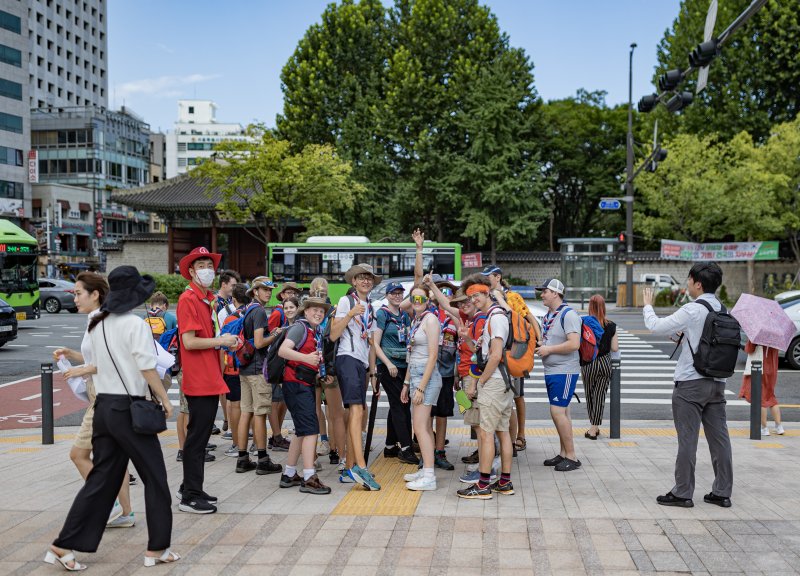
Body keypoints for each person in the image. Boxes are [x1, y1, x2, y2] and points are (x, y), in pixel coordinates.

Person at [46, 266, 177, 570]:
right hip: (129, 410)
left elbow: (95, 363)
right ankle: (157, 549)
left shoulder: (97, 323)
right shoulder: (135, 325)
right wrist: (162, 400)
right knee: (156, 479)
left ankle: (63, 545)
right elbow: (146, 367)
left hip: (103, 408)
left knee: (101, 481)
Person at [643, 262, 733, 508]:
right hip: (717, 383)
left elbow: (655, 326)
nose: (688, 284)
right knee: (720, 439)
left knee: (687, 439)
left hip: (691, 385)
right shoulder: (723, 309)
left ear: (698, 283)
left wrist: (648, 306)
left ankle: (683, 492)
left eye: (689, 280)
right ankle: (722, 492)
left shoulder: (693, 309)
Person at [53, 272, 135, 529]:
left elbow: (109, 361)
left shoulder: (102, 322)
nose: (75, 298)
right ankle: (126, 514)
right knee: (113, 458)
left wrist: (80, 370)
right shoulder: (98, 319)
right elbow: (94, 357)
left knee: (78, 454)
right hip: (109, 396)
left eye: (78, 293)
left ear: (95, 294)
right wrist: (71, 355)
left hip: (103, 398)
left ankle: (107, 502)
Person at [176, 247, 240, 514]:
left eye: (209, 264)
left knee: (200, 438)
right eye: (201, 265)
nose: (207, 269)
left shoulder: (208, 299)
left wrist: (227, 343)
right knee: (197, 439)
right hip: (199, 378)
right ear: (191, 271)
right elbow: (188, 342)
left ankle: (191, 487)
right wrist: (221, 341)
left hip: (210, 376)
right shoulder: (188, 299)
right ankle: (189, 496)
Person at [456, 275, 514, 499]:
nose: (473, 299)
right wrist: (467, 339)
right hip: (501, 382)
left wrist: (479, 383)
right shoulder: (491, 316)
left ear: (487, 293)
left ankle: (482, 486)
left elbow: (496, 355)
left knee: (488, 434)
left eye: (477, 295)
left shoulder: (496, 317)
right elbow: (483, 352)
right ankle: (504, 482)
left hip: (494, 382)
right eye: (471, 296)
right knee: (502, 432)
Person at [330, 263, 381, 490]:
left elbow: (371, 343)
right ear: (353, 282)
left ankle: (349, 468)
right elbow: (333, 335)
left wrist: (373, 372)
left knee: (356, 414)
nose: (365, 281)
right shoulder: (346, 301)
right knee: (357, 411)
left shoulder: (371, 306)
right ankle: (361, 466)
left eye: (369, 278)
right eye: (361, 277)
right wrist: (350, 313)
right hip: (346, 357)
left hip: (361, 363)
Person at [278, 296, 332, 494]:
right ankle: (309, 477)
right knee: (311, 430)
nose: (318, 313)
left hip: (302, 383)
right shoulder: (300, 328)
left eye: (321, 311)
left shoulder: (313, 331)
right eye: (314, 310)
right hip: (296, 385)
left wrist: (318, 372)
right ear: (306, 311)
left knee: (302, 431)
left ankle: (289, 473)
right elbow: (283, 351)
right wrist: (307, 358)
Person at [236, 276, 283, 475]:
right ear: (254, 291)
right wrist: (276, 334)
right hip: (257, 369)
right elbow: (258, 343)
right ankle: (263, 459)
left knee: (245, 411)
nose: (268, 293)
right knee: (260, 412)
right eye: (264, 289)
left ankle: (242, 458)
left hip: (244, 368)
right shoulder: (260, 312)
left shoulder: (247, 310)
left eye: (270, 290)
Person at [536, 278, 582, 472]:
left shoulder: (568, 314)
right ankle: (564, 453)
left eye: (545, 291)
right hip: (553, 370)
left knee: (557, 412)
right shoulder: (549, 315)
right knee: (562, 413)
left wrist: (549, 349)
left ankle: (571, 456)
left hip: (565, 370)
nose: (541, 294)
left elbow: (574, 344)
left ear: (555, 293)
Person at [400, 285, 443, 491]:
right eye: (413, 298)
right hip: (416, 375)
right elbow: (412, 355)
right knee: (423, 426)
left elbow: (433, 356)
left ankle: (429, 476)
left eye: (421, 299)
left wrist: (421, 388)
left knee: (419, 428)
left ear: (428, 299)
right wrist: (407, 383)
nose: (416, 302)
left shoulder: (431, 320)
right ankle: (426, 468)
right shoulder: (417, 320)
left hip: (427, 377)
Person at [371, 281, 418, 465]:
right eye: (394, 293)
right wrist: (387, 363)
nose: (397, 296)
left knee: (398, 404)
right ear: (387, 295)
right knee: (401, 405)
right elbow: (375, 343)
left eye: (400, 293)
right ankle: (406, 448)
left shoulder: (404, 316)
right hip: (388, 367)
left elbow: (408, 339)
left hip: (403, 366)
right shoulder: (382, 314)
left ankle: (390, 446)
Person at [309, 277, 347, 472]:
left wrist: (330, 369)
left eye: (322, 291)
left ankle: (340, 455)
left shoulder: (333, 312)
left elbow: (334, 343)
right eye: (316, 291)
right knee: (313, 412)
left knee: (336, 413)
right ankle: (313, 455)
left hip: (329, 369)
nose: (319, 292)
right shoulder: (305, 311)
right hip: (308, 369)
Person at [268, 282, 300, 452]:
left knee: (284, 403)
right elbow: (268, 337)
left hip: (288, 371)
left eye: (293, 293)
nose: (289, 295)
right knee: (275, 402)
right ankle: (276, 436)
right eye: (287, 292)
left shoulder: (298, 323)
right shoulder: (276, 314)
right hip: (278, 368)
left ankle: (276, 435)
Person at [581, 295, 619, 439]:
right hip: (604, 363)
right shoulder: (611, 325)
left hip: (588, 363)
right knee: (600, 396)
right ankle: (594, 427)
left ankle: (593, 428)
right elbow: (615, 348)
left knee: (590, 395)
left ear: (590, 306)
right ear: (604, 307)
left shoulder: (584, 323)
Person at [220, 283, 251, 457]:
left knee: (235, 405)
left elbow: (223, 345)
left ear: (233, 299)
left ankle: (237, 443)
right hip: (250, 365)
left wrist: (221, 370)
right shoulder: (254, 313)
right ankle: (250, 442)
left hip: (233, 367)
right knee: (250, 406)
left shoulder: (230, 319)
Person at [215, 269, 242, 434]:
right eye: (232, 285)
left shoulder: (227, 303)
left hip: (227, 352)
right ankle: (227, 419)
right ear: (223, 284)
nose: (234, 288)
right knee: (223, 387)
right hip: (220, 351)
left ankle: (227, 420)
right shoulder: (217, 304)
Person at [739, 341, 783, 436]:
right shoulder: (775, 336)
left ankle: (764, 428)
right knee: (771, 396)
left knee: (760, 398)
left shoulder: (758, 335)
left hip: (760, 367)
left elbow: (749, 349)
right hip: (772, 368)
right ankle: (779, 427)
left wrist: (746, 344)